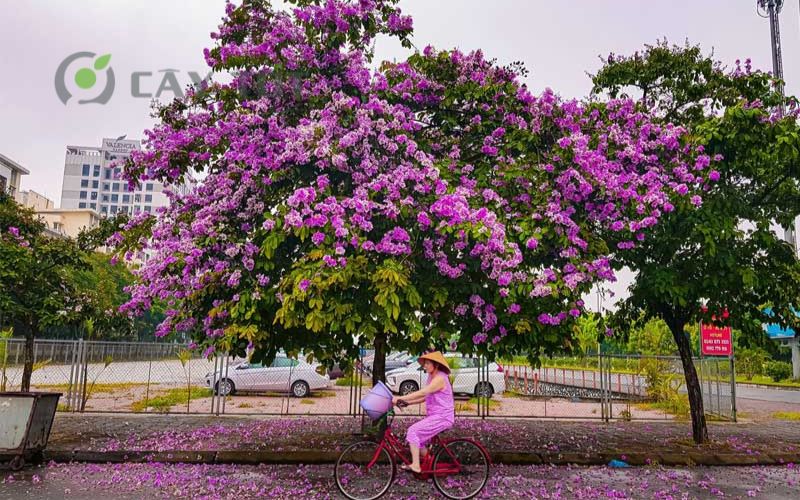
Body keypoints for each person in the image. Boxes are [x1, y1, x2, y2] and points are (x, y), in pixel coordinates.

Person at [392, 350, 454, 473]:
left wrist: (400, 397)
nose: (424, 366)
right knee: (418, 440)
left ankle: (416, 465)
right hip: (435, 416)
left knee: (413, 431)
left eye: (427, 363)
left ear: (435, 365)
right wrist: (407, 402)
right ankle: (429, 463)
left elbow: (423, 392)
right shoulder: (432, 377)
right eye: (424, 363)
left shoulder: (440, 378)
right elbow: (425, 397)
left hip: (442, 417)